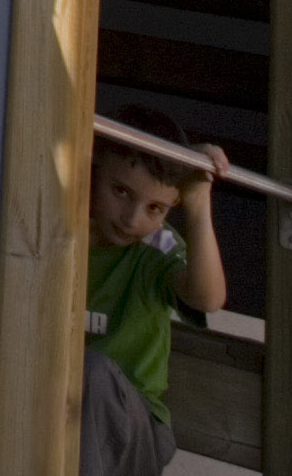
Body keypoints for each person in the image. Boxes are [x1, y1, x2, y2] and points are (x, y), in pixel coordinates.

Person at [84, 132, 230, 476]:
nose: (132, 219)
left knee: (92, 371)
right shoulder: (55, 232)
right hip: (59, 413)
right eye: (120, 191)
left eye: (155, 208)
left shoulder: (156, 248)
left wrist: (197, 201)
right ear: (91, 170)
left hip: (138, 431)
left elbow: (208, 298)